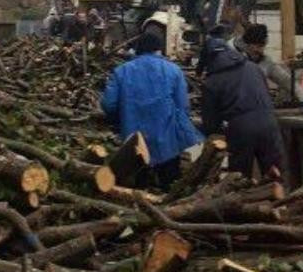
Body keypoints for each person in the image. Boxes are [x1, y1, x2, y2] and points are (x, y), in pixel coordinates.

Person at [101, 32, 203, 189]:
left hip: (134, 140)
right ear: (159, 49)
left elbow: (109, 104)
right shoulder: (174, 70)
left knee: (137, 187)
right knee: (170, 184)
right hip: (167, 141)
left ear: (138, 49)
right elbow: (183, 106)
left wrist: (119, 120)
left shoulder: (121, 71)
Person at [201, 40, 284, 179]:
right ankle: (280, 197)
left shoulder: (212, 80)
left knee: (239, 177)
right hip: (269, 122)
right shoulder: (253, 67)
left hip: (241, 127)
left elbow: (210, 121)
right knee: (274, 173)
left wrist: (213, 134)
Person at [234, 24, 303, 113]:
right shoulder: (233, 57)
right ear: (247, 45)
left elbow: (286, 80)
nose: (260, 50)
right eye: (256, 47)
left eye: (262, 46)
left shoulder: (265, 62)